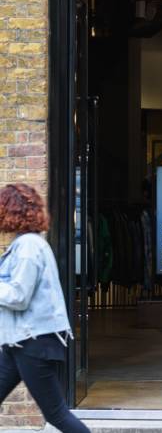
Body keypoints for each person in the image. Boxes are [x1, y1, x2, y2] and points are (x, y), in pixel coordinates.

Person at [0, 183, 90, 433]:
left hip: (34, 343)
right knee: (57, 414)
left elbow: (19, 296)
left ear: (11, 210)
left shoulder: (29, 246)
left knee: (56, 415)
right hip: (18, 343)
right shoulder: (25, 244)